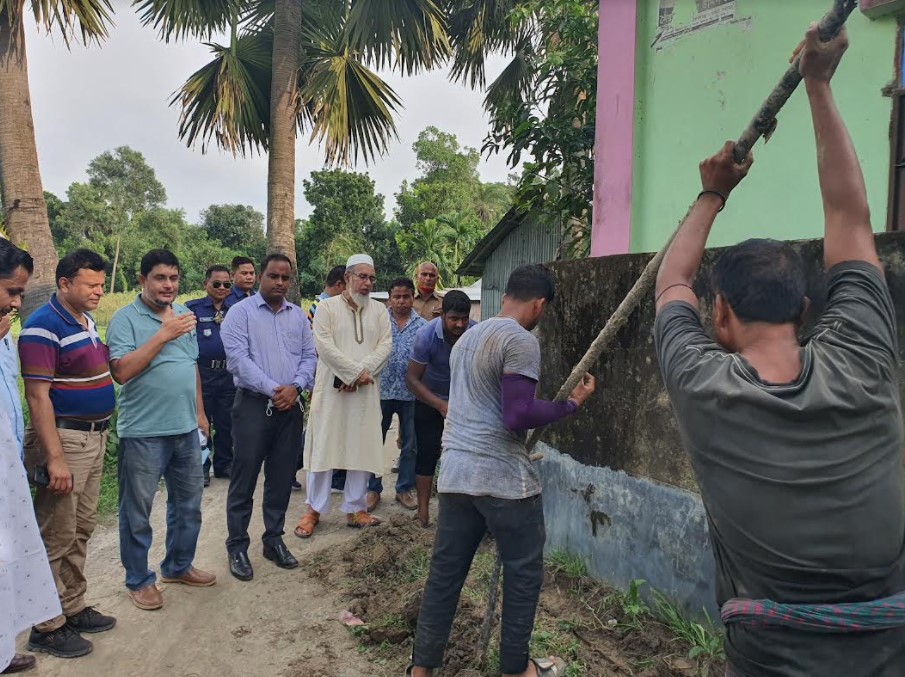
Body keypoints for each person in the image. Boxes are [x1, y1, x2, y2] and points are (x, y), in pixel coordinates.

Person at [654, 27, 905, 677]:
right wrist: (819, 86)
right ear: (803, 309)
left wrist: (712, 191)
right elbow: (849, 219)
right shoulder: (860, 354)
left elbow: (671, 279)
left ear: (720, 313)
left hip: (768, 656)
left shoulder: (701, 382)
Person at [410, 265, 595, 677]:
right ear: (539, 304)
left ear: (506, 294)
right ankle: (518, 670)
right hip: (504, 482)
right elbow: (518, 415)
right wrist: (571, 404)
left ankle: (421, 670)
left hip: (456, 476)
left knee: (444, 576)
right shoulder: (520, 340)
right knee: (523, 575)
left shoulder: (467, 338)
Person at [18, 249, 116, 659]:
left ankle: (71, 605)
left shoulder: (85, 319)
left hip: (93, 438)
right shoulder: (42, 327)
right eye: (90, 285)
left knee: (81, 526)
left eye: (100, 284)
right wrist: (53, 457)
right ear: (64, 284)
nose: (98, 291)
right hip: (64, 440)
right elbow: (38, 397)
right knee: (55, 531)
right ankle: (46, 624)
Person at [106, 249, 215, 612]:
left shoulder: (185, 314)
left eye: (173, 278)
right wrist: (163, 335)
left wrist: (200, 414)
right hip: (143, 432)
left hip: (185, 429)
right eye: (159, 278)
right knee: (136, 510)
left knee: (189, 505)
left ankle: (177, 566)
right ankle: (139, 579)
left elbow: (191, 366)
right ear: (142, 280)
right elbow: (121, 371)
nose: (168, 285)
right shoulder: (125, 319)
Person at [220, 254, 317, 582]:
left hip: (290, 408)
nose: (279, 282)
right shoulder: (240, 313)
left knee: (280, 478)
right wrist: (276, 389)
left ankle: (273, 540)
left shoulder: (298, 317)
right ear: (260, 276)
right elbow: (237, 360)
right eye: (273, 276)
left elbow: (309, 356)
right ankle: (237, 545)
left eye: (285, 278)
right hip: (252, 406)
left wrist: (297, 386)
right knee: (244, 478)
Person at [294, 254, 391, 538]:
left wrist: (358, 375)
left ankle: (355, 507)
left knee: (361, 446)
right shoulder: (326, 308)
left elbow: (385, 347)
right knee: (325, 445)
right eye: (362, 277)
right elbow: (323, 345)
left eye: (371, 278)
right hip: (332, 392)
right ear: (347, 278)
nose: (367, 283)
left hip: (364, 391)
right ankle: (314, 509)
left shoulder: (379, 311)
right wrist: (350, 374)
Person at [0, 240, 61, 675]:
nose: (16, 303)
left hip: (6, 468)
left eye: (20, 294)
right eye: (10, 291)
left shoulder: (5, 334)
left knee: (7, 559)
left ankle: (1, 648)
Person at [405, 290, 475, 527]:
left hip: (464, 401)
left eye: (464, 318)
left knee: (466, 456)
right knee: (427, 453)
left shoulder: (475, 332)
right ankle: (423, 512)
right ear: (443, 315)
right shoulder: (425, 335)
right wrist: (439, 405)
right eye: (454, 318)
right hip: (429, 398)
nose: (460, 324)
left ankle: (464, 514)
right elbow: (412, 380)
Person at [366, 277, 426, 513]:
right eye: (396, 297)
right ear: (389, 299)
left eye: (406, 296)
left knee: (410, 445)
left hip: (412, 394)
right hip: (380, 391)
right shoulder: (378, 323)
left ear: (413, 297)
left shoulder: (422, 326)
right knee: (374, 441)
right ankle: (373, 489)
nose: (401, 301)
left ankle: (404, 489)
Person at [186, 265, 237, 486]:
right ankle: (202, 467)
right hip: (203, 374)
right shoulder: (192, 309)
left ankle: (224, 464)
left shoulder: (237, 309)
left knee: (227, 423)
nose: (222, 288)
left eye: (227, 284)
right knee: (202, 422)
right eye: (217, 283)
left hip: (228, 374)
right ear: (205, 284)